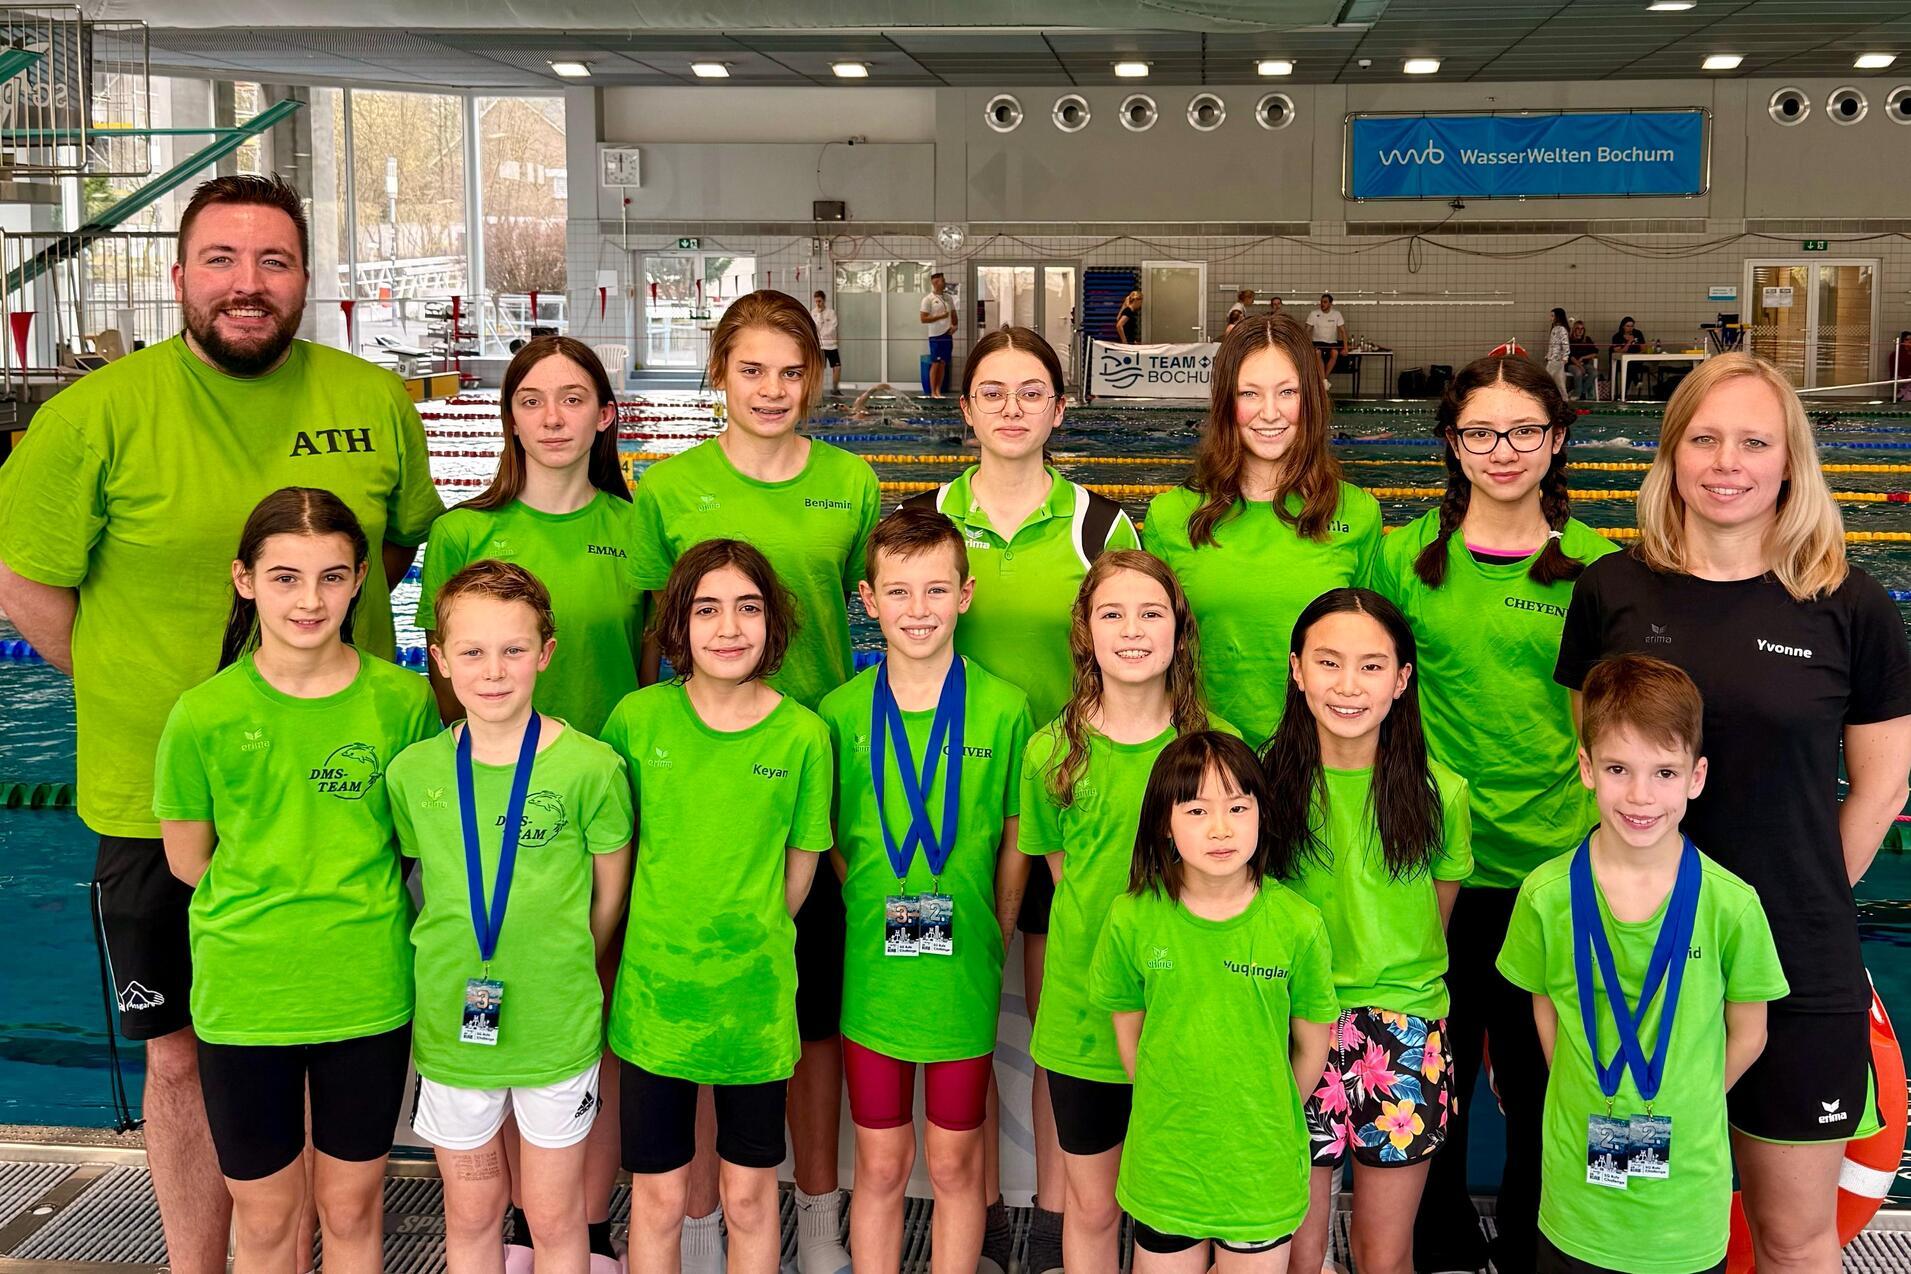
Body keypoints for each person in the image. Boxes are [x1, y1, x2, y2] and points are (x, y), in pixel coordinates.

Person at [0, 172, 442, 1274]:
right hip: (155, 798)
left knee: (334, 1036)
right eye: (222, 260)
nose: (248, 284)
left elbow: (393, 549)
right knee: (183, 1059)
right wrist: (144, 689)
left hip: (344, 796)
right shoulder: (93, 416)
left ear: (306, 278)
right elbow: (27, 583)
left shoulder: (373, 398)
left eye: (273, 261)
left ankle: (315, 1248)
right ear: (179, 273)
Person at [1555, 353, 1911, 1273]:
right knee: (1635, 1235)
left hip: (1796, 966)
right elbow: (1599, 761)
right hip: (1635, 969)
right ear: (1670, 454)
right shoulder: (1611, 592)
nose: (1726, 463)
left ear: (1789, 461)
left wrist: (1795, 899)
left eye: (1754, 442)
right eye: (1704, 439)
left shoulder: (1848, 605)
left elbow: (1882, 787)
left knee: (1793, 1240)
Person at [626, 288, 879, 1273]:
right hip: (699, 787)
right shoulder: (668, 488)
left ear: (814, 379)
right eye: (751, 370)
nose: (772, 389)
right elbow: (648, 638)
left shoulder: (850, 482)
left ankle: (814, 1219)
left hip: (806, 775)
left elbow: (871, 610)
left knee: (803, 1027)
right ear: (718, 375)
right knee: (690, 1023)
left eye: (791, 371)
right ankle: (696, 1226)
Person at [901, 323, 1136, 1271]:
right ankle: (985, 1208)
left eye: (1030, 392)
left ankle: (1051, 1214)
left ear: (1060, 408)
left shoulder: (1099, 526)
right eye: (991, 392)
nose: (1011, 409)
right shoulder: (923, 519)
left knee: (1056, 1024)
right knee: (959, 1015)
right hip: (945, 806)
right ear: (964, 408)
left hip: (1065, 804)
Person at [153, 488, 435, 1274]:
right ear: (244, 580)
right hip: (248, 996)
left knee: (351, 1210)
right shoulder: (204, 715)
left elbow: (411, 843)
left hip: (365, 988)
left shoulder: (402, 701)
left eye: (331, 577)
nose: (309, 600)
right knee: (268, 1219)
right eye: (285, 578)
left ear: (359, 582)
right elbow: (187, 859)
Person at [1376, 354, 1615, 1274]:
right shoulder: (1402, 559)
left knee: (1539, 1077)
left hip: (1551, 868)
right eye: (1480, 432)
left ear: (1555, 442)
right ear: (1451, 443)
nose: (1502, 450)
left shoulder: (1595, 567)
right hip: (1431, 867)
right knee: (1431, 1075)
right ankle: (1435, 1243)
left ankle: (1529, 1244)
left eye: (1523, 431)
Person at [1498, 654, 1789, 1274]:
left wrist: (1689, 1095)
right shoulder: (1546, 897)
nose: (1640, 795)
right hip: (1576, 1206)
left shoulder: (1731, 905)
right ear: (1586, 769)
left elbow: (1751, 1033)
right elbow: (1547, 1008)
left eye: (1664, 772)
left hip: (1685, 1209)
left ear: (1696, 777)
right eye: (1617, 769)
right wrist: (1585, 1085)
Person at [389, 560, 633, 1274]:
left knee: (555, 1216)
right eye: (471, 652)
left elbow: (608, 897)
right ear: (439, 659)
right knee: (470, 1212)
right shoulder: (414, 774)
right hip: (452, 1028)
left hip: (556, 1025)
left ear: (545, 653)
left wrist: (563, 961)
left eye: (513, 650)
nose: (493, 671)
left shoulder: (591, 769)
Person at [600, 540, 833, 1274]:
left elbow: (797, 875)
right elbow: (614, 857)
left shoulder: (803, 736)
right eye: (706, 609)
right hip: (656, 1005)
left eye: (747, 607)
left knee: (750, 1199)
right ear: (677, 622)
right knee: (658, 1200)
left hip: (753, 1009)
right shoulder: (637, 722)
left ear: (773, 622)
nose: (728, 628)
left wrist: (747, 939)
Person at [819, 506, 1032, 1274]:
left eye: (936, 590)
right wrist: (865, 900)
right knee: (879, 1164)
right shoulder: (840, 713)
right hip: (874, 976)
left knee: (952, 1162)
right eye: (898, 592)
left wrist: (995, 929)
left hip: (962, 973)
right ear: (867, 601)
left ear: (965, 595)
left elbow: (1016, 837)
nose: (918, 610)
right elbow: (830, 837)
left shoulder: (1004, 709)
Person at [1020, 550, 1237, 1272]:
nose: (1133, 630)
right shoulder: (1052, 752)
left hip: (1187, 1016)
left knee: (1174, 1211)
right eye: (1111, 614)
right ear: (1086, 630)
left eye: (1151, 613)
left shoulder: (1218, 750)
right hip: (1084, 1018)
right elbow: (1071, 883)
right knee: (1091, 1207)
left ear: (1180, 628)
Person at [1264, 588, 1471, 1274]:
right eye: (1328, 662)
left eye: (1372, 666)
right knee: (1294, 1253)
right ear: (1297, 669)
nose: (1348, 686)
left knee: (1383, 1254)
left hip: (1403, 1033)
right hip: (1293, 1024)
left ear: (1402, 679)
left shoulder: (1441, 794)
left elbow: (1433, 920)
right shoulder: (1259, 789)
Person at [1088, 730, 1337, 1272]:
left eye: (1238, 807)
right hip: (1167, 1165)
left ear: (1261, 813)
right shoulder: (1132, 918)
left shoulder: (1298, 924)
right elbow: (1130, 1039)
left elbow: (1312, 1045)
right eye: (1197, 810)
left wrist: (1263, 1109)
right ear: (1165, 822)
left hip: (1258, 1170)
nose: (1221, 828)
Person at [1142, 313, 1382, 746]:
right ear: (1225, 402)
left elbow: (1372, 654)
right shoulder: (1171, 516)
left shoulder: (1358, 514)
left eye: (1287, 392)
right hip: (1208, 762)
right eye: (1249, 393)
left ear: (1311, 398)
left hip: (1318, 758)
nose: (1269, 413)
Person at [418, 336, 638, 738]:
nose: (552, 419)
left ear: (604, 414)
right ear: (513, 421)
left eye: (572, 400)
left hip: (614, 761)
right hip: (496, 766)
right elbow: (447, 686)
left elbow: (648, 673)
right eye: (531, 401)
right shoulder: (459, 532)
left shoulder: (637, 529)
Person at [921, 271, 957, 397]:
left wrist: (955, 326)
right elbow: (923, 319)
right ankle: (933, 392)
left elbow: (953, 313)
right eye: (942, 280)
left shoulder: (948, 298)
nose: (945, 282)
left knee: (943, 363)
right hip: (935, 336)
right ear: (935, 283)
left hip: (947, 334)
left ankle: (938, 391)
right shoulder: (928, 299)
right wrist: (940, 316)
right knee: (935, 363)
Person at [1306, 293, 1347, 377]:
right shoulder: (1314, 314)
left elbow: (1343, 331)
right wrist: (1305, 345)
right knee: (1317, 353)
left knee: (1335, 353)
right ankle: (1323, 379)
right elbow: (1307, 331)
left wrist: (1345, 348)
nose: (1322, 304)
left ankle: (1324, 378)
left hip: (1331, 342)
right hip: (1317, 342)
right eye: (1321, 302)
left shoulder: (1336, 314)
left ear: (1330, 304)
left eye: (1325, 302)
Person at [812, 290, 842, 396]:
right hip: (821, 346)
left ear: (824, 300)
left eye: (820, 301)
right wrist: (819, 315)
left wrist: (823, 333)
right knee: (820, 369)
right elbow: (816, 328)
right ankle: (817, 391)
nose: (818, 304)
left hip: (832, 345)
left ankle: (835, 389)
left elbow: (833, 328)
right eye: (816, 301)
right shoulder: (814, 313)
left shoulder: (831, 313)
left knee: (837, 368)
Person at [1610, 317, 1647, 399]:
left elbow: (1643, 348)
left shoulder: (1638, 333)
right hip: (1623, 361)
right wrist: (1629, 342)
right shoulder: (1617, 337)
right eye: (1628, 326)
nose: (1630, 328)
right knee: (1629, 366)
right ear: (1623, 326)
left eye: (1632, 326)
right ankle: (1636, 381)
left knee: (1630, 366)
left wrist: (1638, 354)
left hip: (1637, 360)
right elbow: (1619, 351)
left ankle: (1623, 394)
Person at [1567, 318, 1600, 401]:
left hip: (1584, 363)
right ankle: (1577, 395)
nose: (1580, 331)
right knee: (1578, 372)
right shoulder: (1570, 340)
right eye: (1578, 328)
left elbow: (1595, 353)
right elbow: (1570, 356)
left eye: (1582, 329)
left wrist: (1583, 358)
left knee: (1594, 373)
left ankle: (1582, 391)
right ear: (1574, 329)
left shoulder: (1587, 339)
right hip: (1572, 364)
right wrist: (1579, 366)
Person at [1545, 308, 1571, 397]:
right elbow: (1552, 345)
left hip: (1557, 360)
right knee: (1559, 382)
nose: (1551, 318)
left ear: (1558, 317)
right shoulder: (1554, 329)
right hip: (1553, 359)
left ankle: (1557, 398)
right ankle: (1564, 398)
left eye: (1553, 316)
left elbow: (1565, 344)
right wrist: (1548, 355)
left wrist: (1565, 357)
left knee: (1548, 379)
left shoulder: (1562, 329)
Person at [1893, 330, 1911, 402]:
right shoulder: (1895, 355)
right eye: (1907, 339)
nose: (1909, 341)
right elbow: (1893, 373)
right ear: (1902, 341)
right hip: (1901, 379)